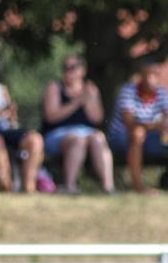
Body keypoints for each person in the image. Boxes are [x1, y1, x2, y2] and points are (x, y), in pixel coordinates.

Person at [109, 59, 168, 193]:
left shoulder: (162, 93)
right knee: (138, 133)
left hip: (151, 137)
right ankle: (138, 186)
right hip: (123, 137)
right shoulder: (128, 91)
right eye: (148, 75)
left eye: (155, 75)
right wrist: (155, 126)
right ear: (141, 75)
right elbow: (129, 122)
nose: (151, 79)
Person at [0, 52, 44, 192]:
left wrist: (11, 114)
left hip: (4, 128)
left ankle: (29, 187)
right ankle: (6, 185)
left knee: (35, 140)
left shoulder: (1, 89)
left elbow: (12, 119)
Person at [41, 55, 114, 193]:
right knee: (78, 140)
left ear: (83, 70)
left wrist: (88, 100)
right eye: (65, 67)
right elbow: (51, 117)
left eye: (73, 67)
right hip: (57, 134)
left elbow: (97, 119)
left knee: (99, 138)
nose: (68, 71)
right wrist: (76, 102)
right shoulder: (55, 87)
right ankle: (70, 186)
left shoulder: (90, 88)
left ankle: (108, 187)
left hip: (86, 133)